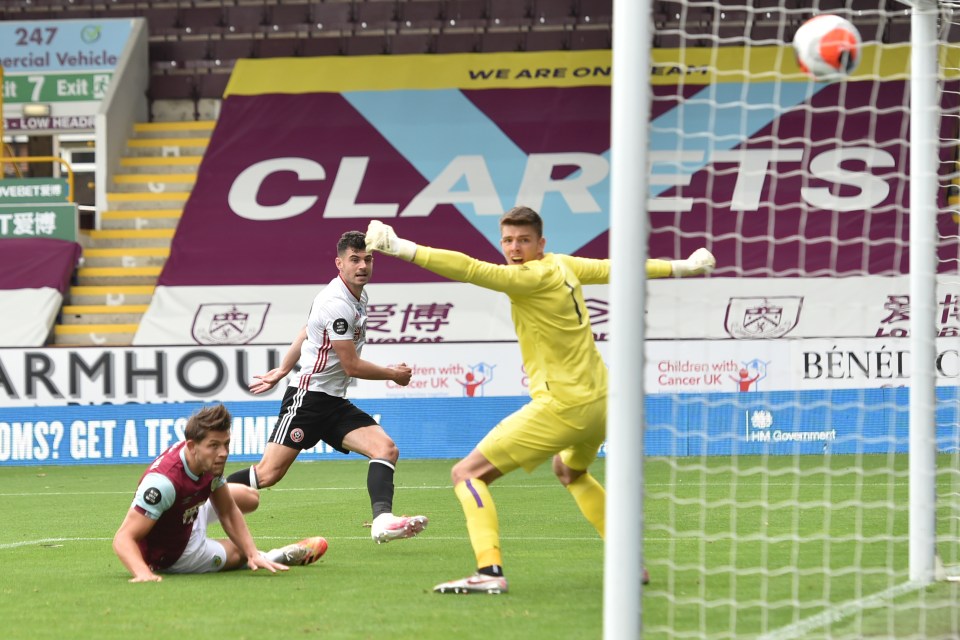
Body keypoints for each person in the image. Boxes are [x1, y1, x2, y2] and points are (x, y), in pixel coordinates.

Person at [365, 207, 715, 594]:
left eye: (524, 240)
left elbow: (469, 268)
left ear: (540, 243)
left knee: (467, 474)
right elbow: (622, 267)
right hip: (604, 403)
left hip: (564, 406)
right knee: (570, 471)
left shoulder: (528, 278)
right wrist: (684, 267)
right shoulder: (564, 265)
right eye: (509, 240)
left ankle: (490, 572)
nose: (515, 248)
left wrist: (399, 246)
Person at [227, 230, 428, 544]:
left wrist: (281, 369)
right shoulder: (336, 303)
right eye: (355, 260)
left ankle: (383, 521)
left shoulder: (356, 296)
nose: (363, 265)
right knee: (268, 475)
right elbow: (351, 365)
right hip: (308, 400)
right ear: (340, 263)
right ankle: (200, 502)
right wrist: (393, 374)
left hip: (334, 402)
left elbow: (306, 330)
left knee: (385, 449)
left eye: (368, 259)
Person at [113, 404, 327, 582]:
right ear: (191, 446)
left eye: (226, 444)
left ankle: (255, 554)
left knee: (250, 498)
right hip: (174, 553)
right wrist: (143, 573)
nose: (223, 453)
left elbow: (227, 511)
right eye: (214, 445)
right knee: (238, 552)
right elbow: (123, 538)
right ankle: (276, 556)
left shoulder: (207, 459)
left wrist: (250, 549)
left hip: (187, 510)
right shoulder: (163, 484)